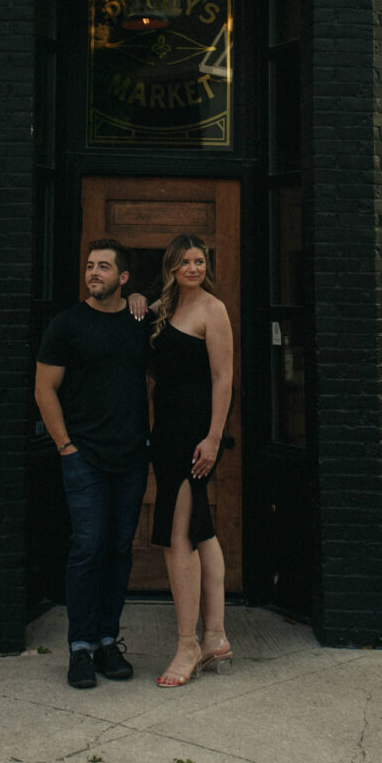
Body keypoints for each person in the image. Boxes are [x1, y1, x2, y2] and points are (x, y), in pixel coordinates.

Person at [34, 238, 150, 689]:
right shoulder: (67, 324)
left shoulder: (140, 320)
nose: (93, 273)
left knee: (119, 549)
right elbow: (44, 389)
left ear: (123, 278)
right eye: (89, 266)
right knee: (87, 549)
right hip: (83, 457)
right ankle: (79, 649)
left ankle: (106, 640)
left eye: (104, 267)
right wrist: (65, 446)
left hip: (132, 456)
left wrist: (144, 299)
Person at [147, 234, 234, 688]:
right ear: (172, 267)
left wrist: (214, 437)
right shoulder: (163, 311)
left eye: (201, 260)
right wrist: (138, 300)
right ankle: (215, 635)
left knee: (179, 533)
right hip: (166, 432)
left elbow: (223, 378)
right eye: (186, 261)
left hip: (195, 436)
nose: (195, 268)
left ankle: (187, 644)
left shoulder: (212, 310)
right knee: (201, 528)